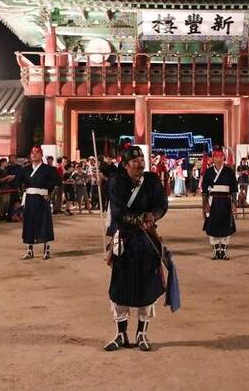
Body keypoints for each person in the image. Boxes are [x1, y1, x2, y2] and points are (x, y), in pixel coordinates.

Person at [104, 145, 169, 352]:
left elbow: (162, 204)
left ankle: (142, 333)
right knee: (120, 287)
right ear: (125, 165)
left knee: (147, 286)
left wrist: (154, 216)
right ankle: (120, 333)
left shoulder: (151, 180)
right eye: (135, 161)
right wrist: (140, 218)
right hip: (124, 241)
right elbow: (118, 212)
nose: (140, 164)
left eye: (142, 160)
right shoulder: (117, 181)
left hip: (146, 240)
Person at [20, 146, 61, 259]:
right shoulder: (25, 170)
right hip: (29, 199)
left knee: (44, 223)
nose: (34, 155)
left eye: (37, 153)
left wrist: (50, 195)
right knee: (29, 224)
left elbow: (58, 183)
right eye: (32, 153)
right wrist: (21, 195)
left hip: (42, 199)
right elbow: (19, 184)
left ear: (41, 155)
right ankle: (29, 250)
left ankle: (46, 250)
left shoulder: (48, 169)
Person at [201, 146, 237, 260]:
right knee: (213, 226)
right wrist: (205, 204)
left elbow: (234, 188)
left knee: (226, 225)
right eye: (216, 157)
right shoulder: (208, 172)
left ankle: (224, 251)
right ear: (213, 158)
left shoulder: (229, 172)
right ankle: (216, 251)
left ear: (223, 158)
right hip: (213, 202)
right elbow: (204, 189)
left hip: (226, 202)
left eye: (221, 156)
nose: (218, 159)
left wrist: (234, 202)